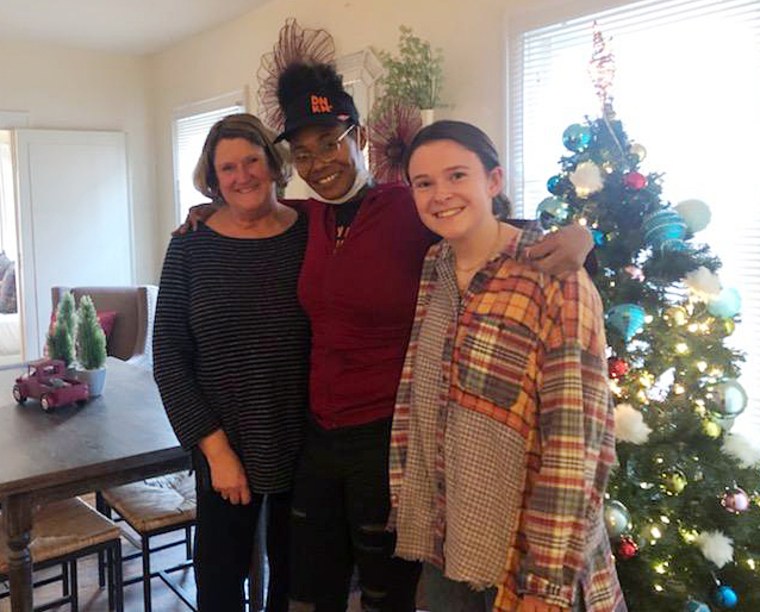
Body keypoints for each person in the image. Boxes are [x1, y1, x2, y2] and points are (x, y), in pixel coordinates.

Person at [181, 63, 594, 611]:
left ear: (357, 139)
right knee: (305, 590)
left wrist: (585, 239)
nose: (319, 162)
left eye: (329, 143)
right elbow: (252, 207)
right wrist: (210, 210)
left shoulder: (411, 206)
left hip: (387, 440)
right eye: (303, 153)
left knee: (385, 594)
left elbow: (495, 232)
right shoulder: (310, 218)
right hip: (315, 442)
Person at [388, 120, 626, 612]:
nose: (441, 195)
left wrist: (545, 582)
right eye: (424, 183)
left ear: (493, 181)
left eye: (457, 176)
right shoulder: (435, 267)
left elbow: (575, 441)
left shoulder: (555, 276)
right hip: (447, 540)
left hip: (528, 559)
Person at [153, 113, 310, 612]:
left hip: (307, 441)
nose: (242, 176)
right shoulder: (190, 245)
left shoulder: (311, 233)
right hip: (224, 444)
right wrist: (217, 453)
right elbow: (169, 356)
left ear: (272, 163)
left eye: (251, 161)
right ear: (213, 179)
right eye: (227, 168)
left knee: (297, 581)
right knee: (220, 584)